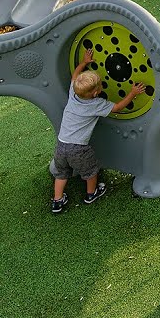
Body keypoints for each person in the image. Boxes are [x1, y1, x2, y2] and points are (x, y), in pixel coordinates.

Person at [48, 48, 141, 213]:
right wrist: (132, 93)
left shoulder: (73, 94)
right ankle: (92, 193)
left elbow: (75, 76)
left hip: (61, 145)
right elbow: (118, 107)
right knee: (91, 171)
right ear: (97, 92)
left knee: (61, 173)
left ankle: (57, 200)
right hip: (78, 149)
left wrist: (84, 62)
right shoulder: (96, 104)